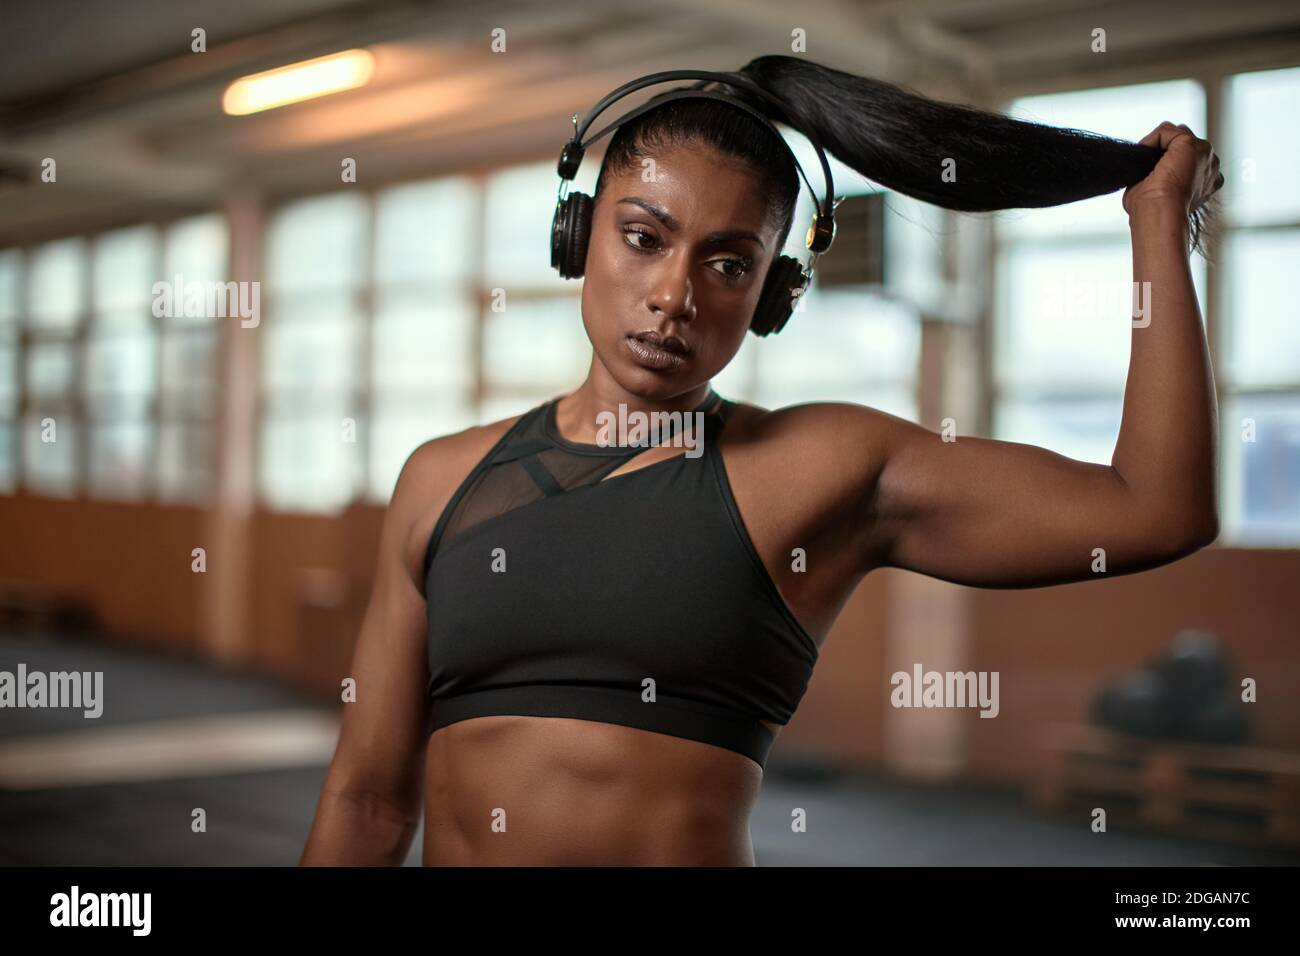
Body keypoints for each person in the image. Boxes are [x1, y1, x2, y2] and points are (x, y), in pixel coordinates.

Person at [300, 55, 1222, 866]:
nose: (673, 295)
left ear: (774, 295)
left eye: (730, 264)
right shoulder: (439, 482)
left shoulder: (820, 467)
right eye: (644, 237)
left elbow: (1154, 508)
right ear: (577, 238)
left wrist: (1155, 224)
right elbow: (367, 802)